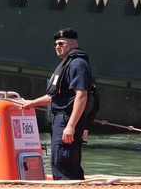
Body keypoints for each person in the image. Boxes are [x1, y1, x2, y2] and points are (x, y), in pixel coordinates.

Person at [21, 28, 92, 181]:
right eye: (55, 44)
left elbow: (81, 96)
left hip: (67, 118)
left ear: (73, 44)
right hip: (62, 117)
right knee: (66, 160)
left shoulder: (77, 64)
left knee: (62, 160)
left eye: (61, 43)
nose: (57, 47)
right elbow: (55, 97)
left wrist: (71, 126)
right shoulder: (68, 64)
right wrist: (31, 103)